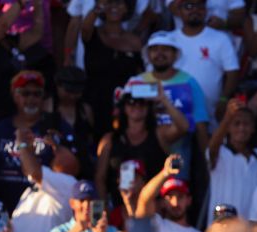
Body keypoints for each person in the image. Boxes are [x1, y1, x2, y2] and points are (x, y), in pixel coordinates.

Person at [0, 70, 80, 213]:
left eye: (37, 94)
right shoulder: (0, 129)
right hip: (3, 210)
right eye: (25, 93)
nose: (31, 99)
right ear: (14, 95)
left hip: (43, 209)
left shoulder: (56, 126)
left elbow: (72, 169)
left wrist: (56, 146)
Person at [127, 31, 210, 180]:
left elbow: (200, 125)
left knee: (176, 196)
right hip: (143, 151)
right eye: (155, 49)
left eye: (165, 49)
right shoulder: (136, 81)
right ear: (148, 54)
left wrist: (207, 162)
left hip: (179, 151)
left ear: (174, 54)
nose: (159, 54)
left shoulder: (190, 82)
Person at [95, 79, 188, 209]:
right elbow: (100, 180)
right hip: (118, 212)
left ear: (149, 107)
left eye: (142, 102)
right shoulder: (109, 140)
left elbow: (183, 127)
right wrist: (101, 214)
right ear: (124, 106)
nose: (137, 106)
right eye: (131, 102)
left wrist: (163, 99)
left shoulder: (159, 134)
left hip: (154, 211)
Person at [10, 128, 79, 232]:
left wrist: (21, 144)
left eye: (59, 148)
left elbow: (33, 172)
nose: (53, 151)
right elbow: (30, 170)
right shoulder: (40, 185)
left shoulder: (70, 184)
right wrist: (29, 149)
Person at [168, 0, 240, 124]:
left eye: (200, 6)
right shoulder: (169, 40)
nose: (195, 10)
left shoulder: (221, 39)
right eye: (189, 6)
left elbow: (232, 72)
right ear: (179, 11)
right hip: (175, 114)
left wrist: (223, 99)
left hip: (210, 114)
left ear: (206, 10)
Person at [81, 0, 143, 137]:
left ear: (127, 9)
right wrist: (98, 7)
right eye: (109, 3)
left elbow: (140, 74)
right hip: (94, 103)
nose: (114, 7)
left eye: (120, 3)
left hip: (124, 105)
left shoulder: (135, 41)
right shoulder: (92, 34)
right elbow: (84, 28)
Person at [206, 98, 257, 226]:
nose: (241, 128)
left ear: (253, 128)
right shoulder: (220, 152)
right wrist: (227, 117)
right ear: (228, 127)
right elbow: (212, 147)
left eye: (246, 124)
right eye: (236, 123)